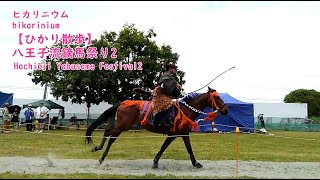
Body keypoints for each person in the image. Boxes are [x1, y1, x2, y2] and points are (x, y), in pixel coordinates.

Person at [151, 63, 183, 132]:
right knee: (168, 104)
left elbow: (170, 89)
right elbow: (167, 88)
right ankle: (159, 122)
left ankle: (168, 120)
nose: (175, 70)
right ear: (170, 69)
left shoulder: (169, 76)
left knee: (173, 103)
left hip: (164, 95)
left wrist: (177, 92)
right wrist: (176, 85)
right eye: (174, 69)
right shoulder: (166, 75)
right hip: (160, 95)